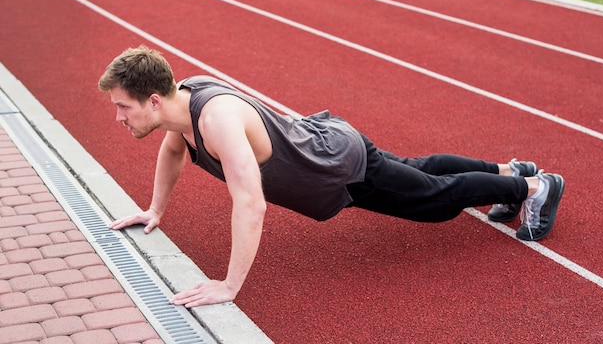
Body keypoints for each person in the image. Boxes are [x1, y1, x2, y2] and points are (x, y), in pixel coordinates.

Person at [98, 46, 565, 308]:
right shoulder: (183, 102)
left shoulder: (215, 120)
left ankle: (536, 188)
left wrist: (229, 285)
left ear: (154, 100)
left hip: (338, 168)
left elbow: (251, 203)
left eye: (123, 106)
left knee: (436, 200)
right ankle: (510, 171)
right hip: (330, 145)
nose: (119, 117)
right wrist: (155, 208)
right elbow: (174, 148)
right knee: (418, 170)